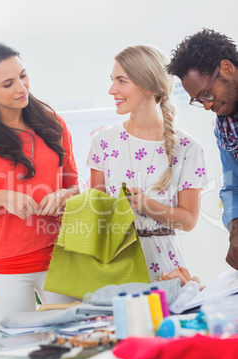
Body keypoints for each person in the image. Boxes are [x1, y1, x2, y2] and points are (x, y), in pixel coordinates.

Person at [0, 42, 80, 322]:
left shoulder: (54, 124)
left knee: (77, 350)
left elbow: (74, 185)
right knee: (18, 357)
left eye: (23, 75)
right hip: (7, 267)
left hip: (63, 257)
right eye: (8, 83)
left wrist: (65, 197)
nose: (21, 87)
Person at [86, 45, 207, 282]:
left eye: (122, 81)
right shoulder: (103, 141)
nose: (112, 90)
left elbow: (189, 221)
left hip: (167, 270)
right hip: (115, 264)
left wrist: (146, 204)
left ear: (149, 86)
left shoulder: (187, 147)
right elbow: (96, 211)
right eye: (112, 80)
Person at [166, 29, 238, 270]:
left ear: (227, 68)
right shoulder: (226, 126)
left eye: (207, 93)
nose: (207, 105)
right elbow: (232, 186)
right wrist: (235, 226)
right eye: (199, 99)